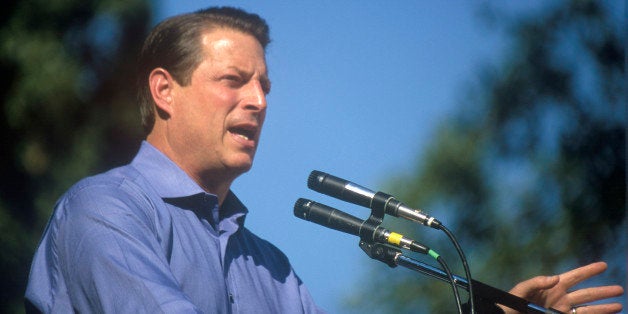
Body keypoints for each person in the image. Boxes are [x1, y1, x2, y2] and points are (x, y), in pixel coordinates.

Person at [24, 6, 623, 314]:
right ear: (164, 91)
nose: (257, 101)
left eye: (265, 86)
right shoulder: (103, 211)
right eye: (234, 80)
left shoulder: (272, 269)